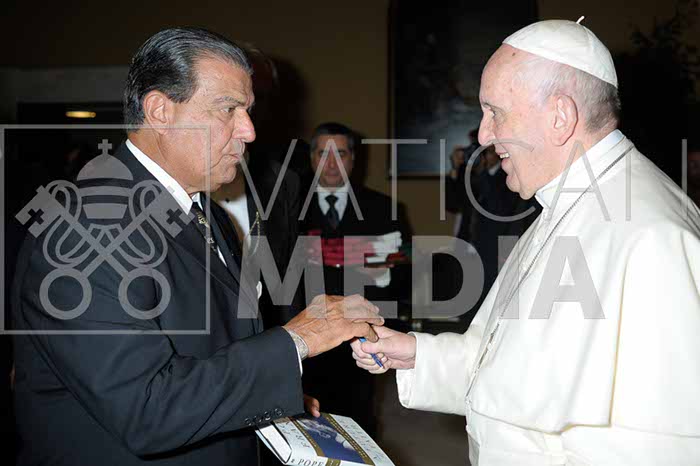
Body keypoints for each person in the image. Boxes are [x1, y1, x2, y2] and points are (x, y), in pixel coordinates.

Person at [11, 27, 383, 466]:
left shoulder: (205, 210)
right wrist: (296, 341)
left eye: (248, 110)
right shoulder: (87, 226)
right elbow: (148, 411)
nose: (248, 130)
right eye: (228, 109)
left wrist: (268, 387)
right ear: (160, 111)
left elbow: (210, 347)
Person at [353, 19, 700, 465]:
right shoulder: (564, 204)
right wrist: (419, 354)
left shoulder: (653, 238)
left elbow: (662, 447)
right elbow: (510, 355)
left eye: (495, 112)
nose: (483, 135)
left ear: (560, 117)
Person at [299, 122, 412, 436]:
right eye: (323, 154)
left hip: (360, 333)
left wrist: (380, 271)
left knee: (358, 419)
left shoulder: (385, 208)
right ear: (312, 158)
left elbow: (403, 272)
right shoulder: (287, 208)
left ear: (353, 159)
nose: (331, 164)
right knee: (307, 420)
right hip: (307, 330)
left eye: (341, 154)